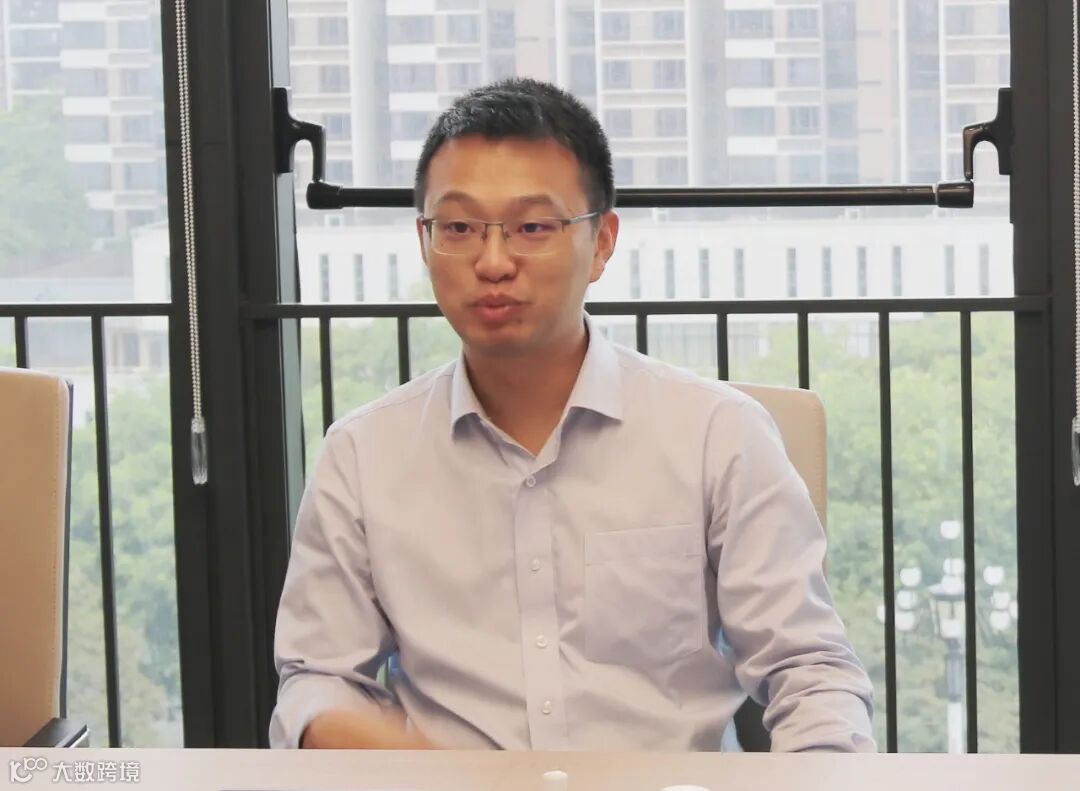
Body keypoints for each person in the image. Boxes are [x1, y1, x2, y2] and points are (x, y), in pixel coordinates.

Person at [269, 77, 875, 752]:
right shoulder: (362, 454)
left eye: (532, 227)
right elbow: (317, 678)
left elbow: (810, 670)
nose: (493, 261)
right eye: (459, 227)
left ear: (603, 241)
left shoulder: (717, 434)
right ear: (424, 239)